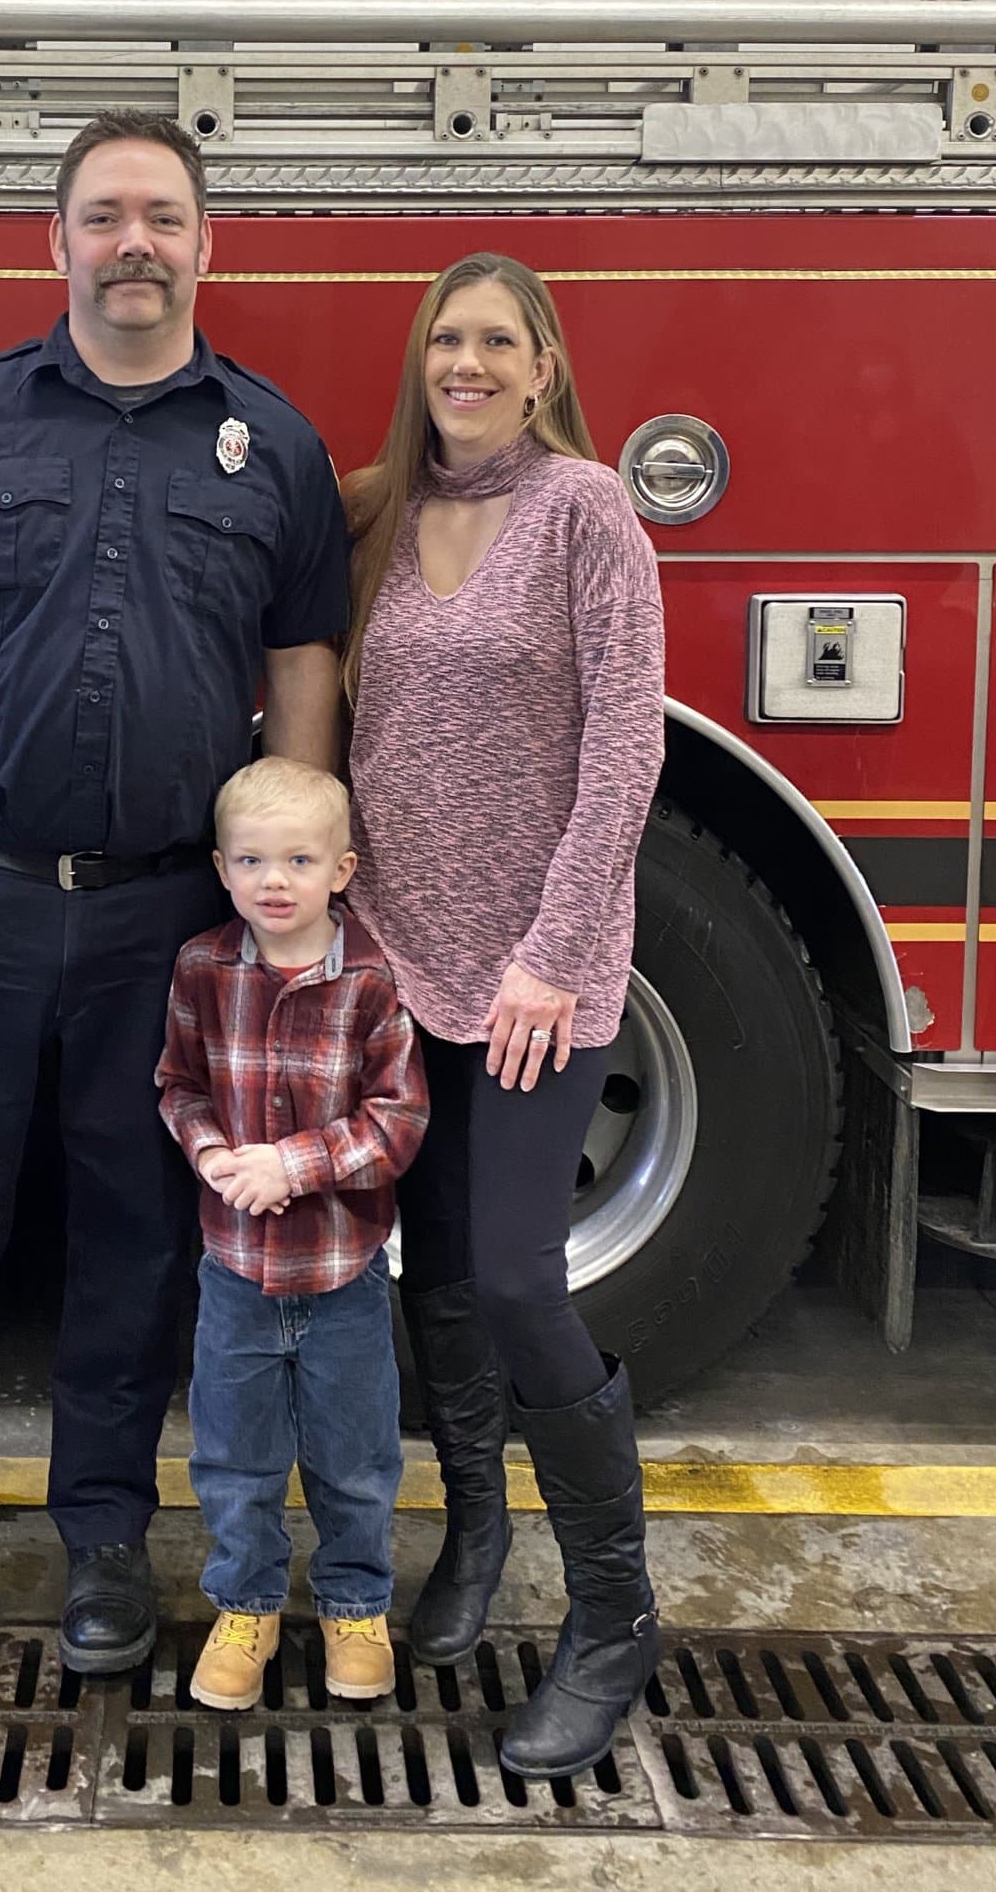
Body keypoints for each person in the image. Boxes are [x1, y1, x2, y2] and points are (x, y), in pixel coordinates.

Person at [0, 110, 350, 1680]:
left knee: (136, 1235)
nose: (136, 244)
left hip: (169, 920)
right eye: (107, 215)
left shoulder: (275, 445)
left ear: (207, 246)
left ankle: (108, 1533)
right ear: (55, 241)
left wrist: (287, 899)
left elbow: (303, 671)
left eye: (164, 218)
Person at [343, 251, 666, 1781]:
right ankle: (475, 1533)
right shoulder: (383, 518)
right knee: (439, 1268)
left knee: (525, 1282)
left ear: (544, 368)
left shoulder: (586, 510)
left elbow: (626, 744)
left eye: (495, 342)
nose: (464, 365)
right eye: (444, 342)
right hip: (399, 961)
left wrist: (552, 948)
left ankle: (614, 1618)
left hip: (541, 974)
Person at [157, 756, 427, 1713]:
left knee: (356, 1458)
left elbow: (399, 1122)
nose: (275, 881)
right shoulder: (202, 968)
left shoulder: (373, 982)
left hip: (344, 1273)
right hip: (234, 1270)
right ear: (222, 869)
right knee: (235, 1457)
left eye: (300, 861)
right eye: (252, 861)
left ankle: (355, 1606)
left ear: (342, 870)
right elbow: (179, 1085)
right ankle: (247, 1606)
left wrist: (292, 1165)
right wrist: (212, 1154)